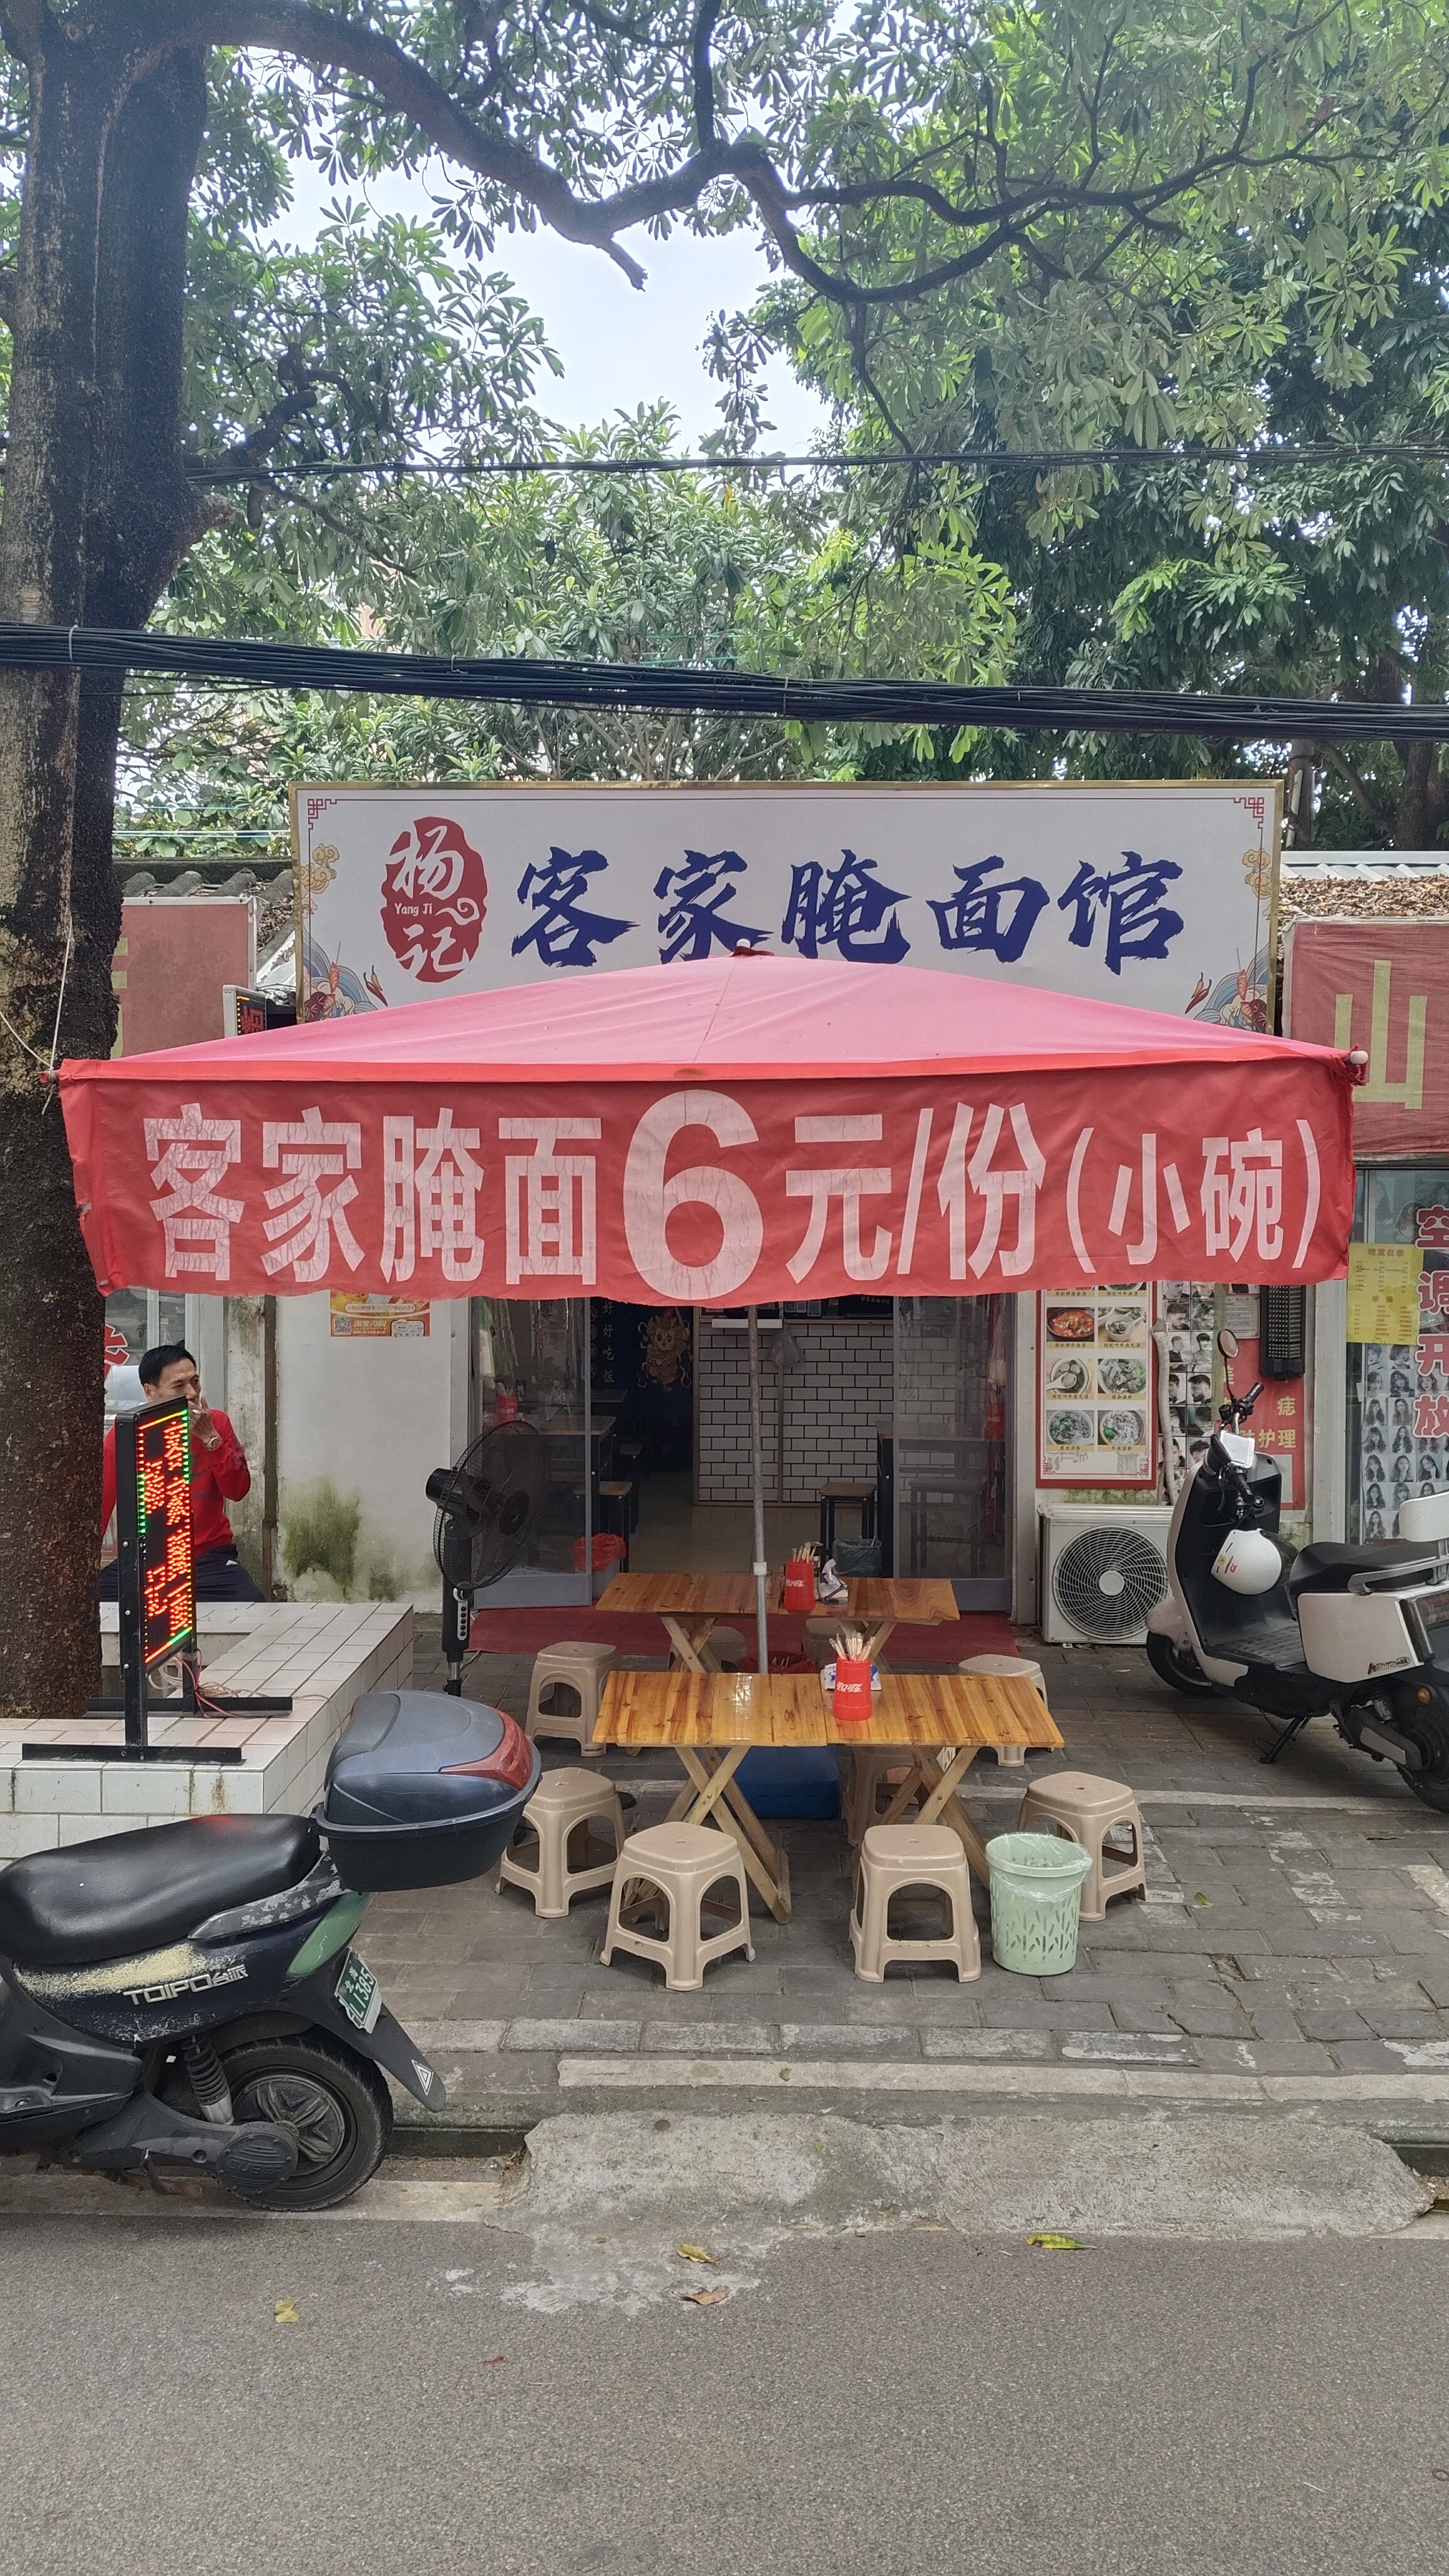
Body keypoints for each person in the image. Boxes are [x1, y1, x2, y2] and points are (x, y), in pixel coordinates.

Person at [99, 1341, 263, 1602]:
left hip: (208, 1558)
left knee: (251, 1606)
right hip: (145, 1559)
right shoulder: (125, 1435)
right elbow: (101, 1507)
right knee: (88, 1600)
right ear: (150, 1391)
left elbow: (238, 1490)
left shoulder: (216, 1423)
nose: (191, 1393)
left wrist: (211, 1439)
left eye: (195, 1382)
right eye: (179, 1386)